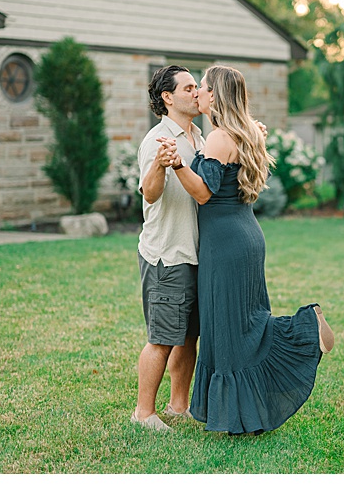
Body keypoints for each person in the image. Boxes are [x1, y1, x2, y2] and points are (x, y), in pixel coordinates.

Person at [160, 65, 336, 434]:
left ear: (217, 95)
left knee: (229, 329)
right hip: (245, 236)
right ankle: (246, 416)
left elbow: (204, 193)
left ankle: (305, 327)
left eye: (204, 88)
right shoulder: (246, 133)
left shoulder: (220, 137)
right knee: (242, 326)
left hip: (225, 244)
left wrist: (177, 164)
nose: (198, 93)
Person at [131, 65, 204, 431]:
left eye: (197, 87)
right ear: (168, 97)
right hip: (167, 256)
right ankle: (144, 413)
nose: (196, 92)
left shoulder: (199, 137)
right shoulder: (157, 139)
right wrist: (161, 165)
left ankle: (179, 405)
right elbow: (151, 193)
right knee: (161, 339)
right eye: (189, 87)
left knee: (188, 336)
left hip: (194, 254)